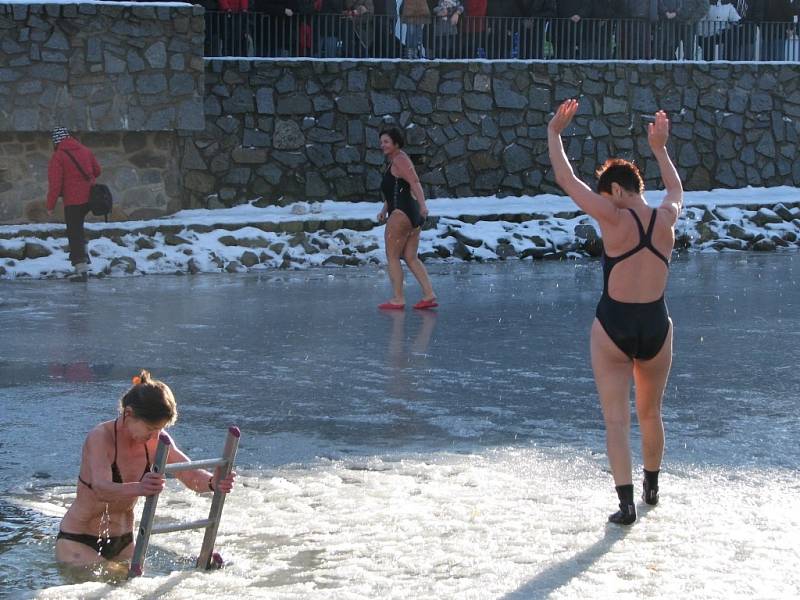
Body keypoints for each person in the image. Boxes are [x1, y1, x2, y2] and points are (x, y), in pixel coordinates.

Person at [547, 100, 683, 525]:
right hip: (657, 327)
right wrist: (660, 149)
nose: (607, 204)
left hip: (613, 326)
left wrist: (554, 134)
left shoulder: (614, 215)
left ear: (619, 191)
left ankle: (626, 505)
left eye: (609, 197)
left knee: (616, 420)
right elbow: (676, 191)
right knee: (650, 413)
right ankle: (652, 488)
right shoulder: (665, 219)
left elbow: (567, 180)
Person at [55, 371, 236, 567]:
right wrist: (140, 488)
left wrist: (212, 482)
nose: (155, 435)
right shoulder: (100, 437)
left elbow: (188, 473)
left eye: (160, 429)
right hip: (79, 539)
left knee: (147, 581)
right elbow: (101, 488)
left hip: (124, 540)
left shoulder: (156, 438)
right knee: (123, 581)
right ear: (129, 413)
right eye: (151, 429)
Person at [377, 127, 437, 310]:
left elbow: (414, 182)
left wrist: (424, 205)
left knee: (392, 256)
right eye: (381, 142)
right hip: (411, 214)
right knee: (411, 257)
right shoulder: (394, 160)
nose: (382, 145)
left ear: (396, 143)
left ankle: (398, 298)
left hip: (401, 215)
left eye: (386, 141)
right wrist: (384, 209)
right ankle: (429, 294)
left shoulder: (401, 160)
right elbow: (394, 191)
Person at [46, 128, 101, 283]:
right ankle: (84, 258)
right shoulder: (85, 150)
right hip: (89, 198)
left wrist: (50, 205)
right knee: (79, 229)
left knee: (74, 232)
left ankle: (81, 269)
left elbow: (55, 185)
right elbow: (97, 170)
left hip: (73, 201)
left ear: (56, 141)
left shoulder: (58, 156)